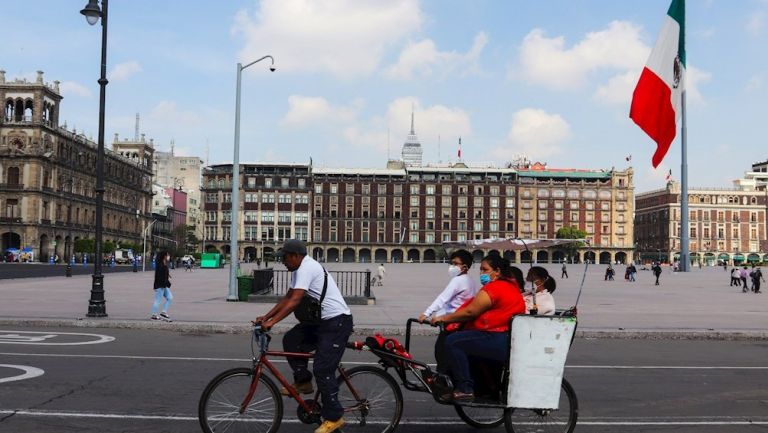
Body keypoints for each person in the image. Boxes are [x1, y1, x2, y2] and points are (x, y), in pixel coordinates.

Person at [253, 239, 353, 433]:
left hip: (337, 322)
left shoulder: (307, 267)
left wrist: (272, 323)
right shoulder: (298, 270)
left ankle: (335, 417)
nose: (282, 261)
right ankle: (303, 382)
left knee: (323, 369)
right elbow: (288, 298)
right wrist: (266, 316)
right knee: (291, 340)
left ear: (295, 256)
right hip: (321, 322)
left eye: (284, 257)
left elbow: (296, 300)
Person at [431, 255, 526, 402]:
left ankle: (464, 388)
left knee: (453, 342)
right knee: (466, 344)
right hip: (505, 338)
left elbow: (471, 311)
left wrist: (444, 318)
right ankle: (484, 388)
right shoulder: (511, 287)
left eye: (485, 269)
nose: (481, 273)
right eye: (480, 269)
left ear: (497, 271)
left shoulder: (495, 288)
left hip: (496, 337)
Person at [418, 250, 479, 372]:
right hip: (461, 323)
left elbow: (442, 298)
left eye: (456, 263)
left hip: (450, 323)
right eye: (451, 263)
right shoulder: (471, 281)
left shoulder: (458, 280)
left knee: (441, 353)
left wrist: (426, 313)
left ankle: (444, 383)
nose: (452, 266)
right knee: (453, 355)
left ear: (465, 267)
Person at [151, 250, 173, 322]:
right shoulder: (160, 265)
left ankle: (164, 312)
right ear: (164, 256)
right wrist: (156, 286)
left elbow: (164, 275)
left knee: (170, 298)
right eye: (168, 255)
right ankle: (154, 315)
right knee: (158, 300)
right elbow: (158, 276)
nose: (168, 257)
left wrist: (168, 275)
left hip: (164, 285)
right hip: (161, 285)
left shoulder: (164, 264)